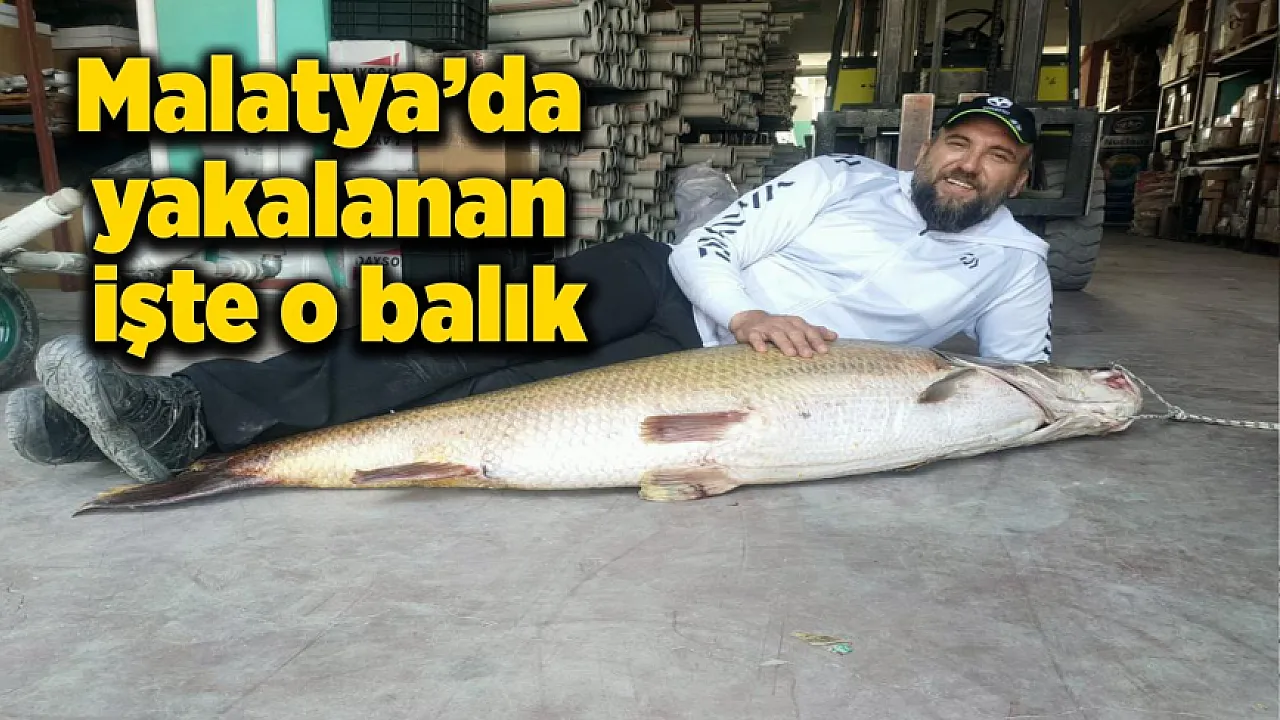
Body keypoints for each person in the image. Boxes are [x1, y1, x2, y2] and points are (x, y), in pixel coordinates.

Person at [6, 95, 1055, 485]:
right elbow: (709, 245)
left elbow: (1019, 375)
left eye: (994, 156)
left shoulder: (1015, 264)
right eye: (957, 143)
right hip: (671, 288)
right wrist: (749, 311)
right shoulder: (839, 179)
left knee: (493, 409)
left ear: (1018, 178)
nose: (966, 164)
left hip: (724, 371)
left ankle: (116, 431)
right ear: (931, 147)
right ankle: (184, 409)